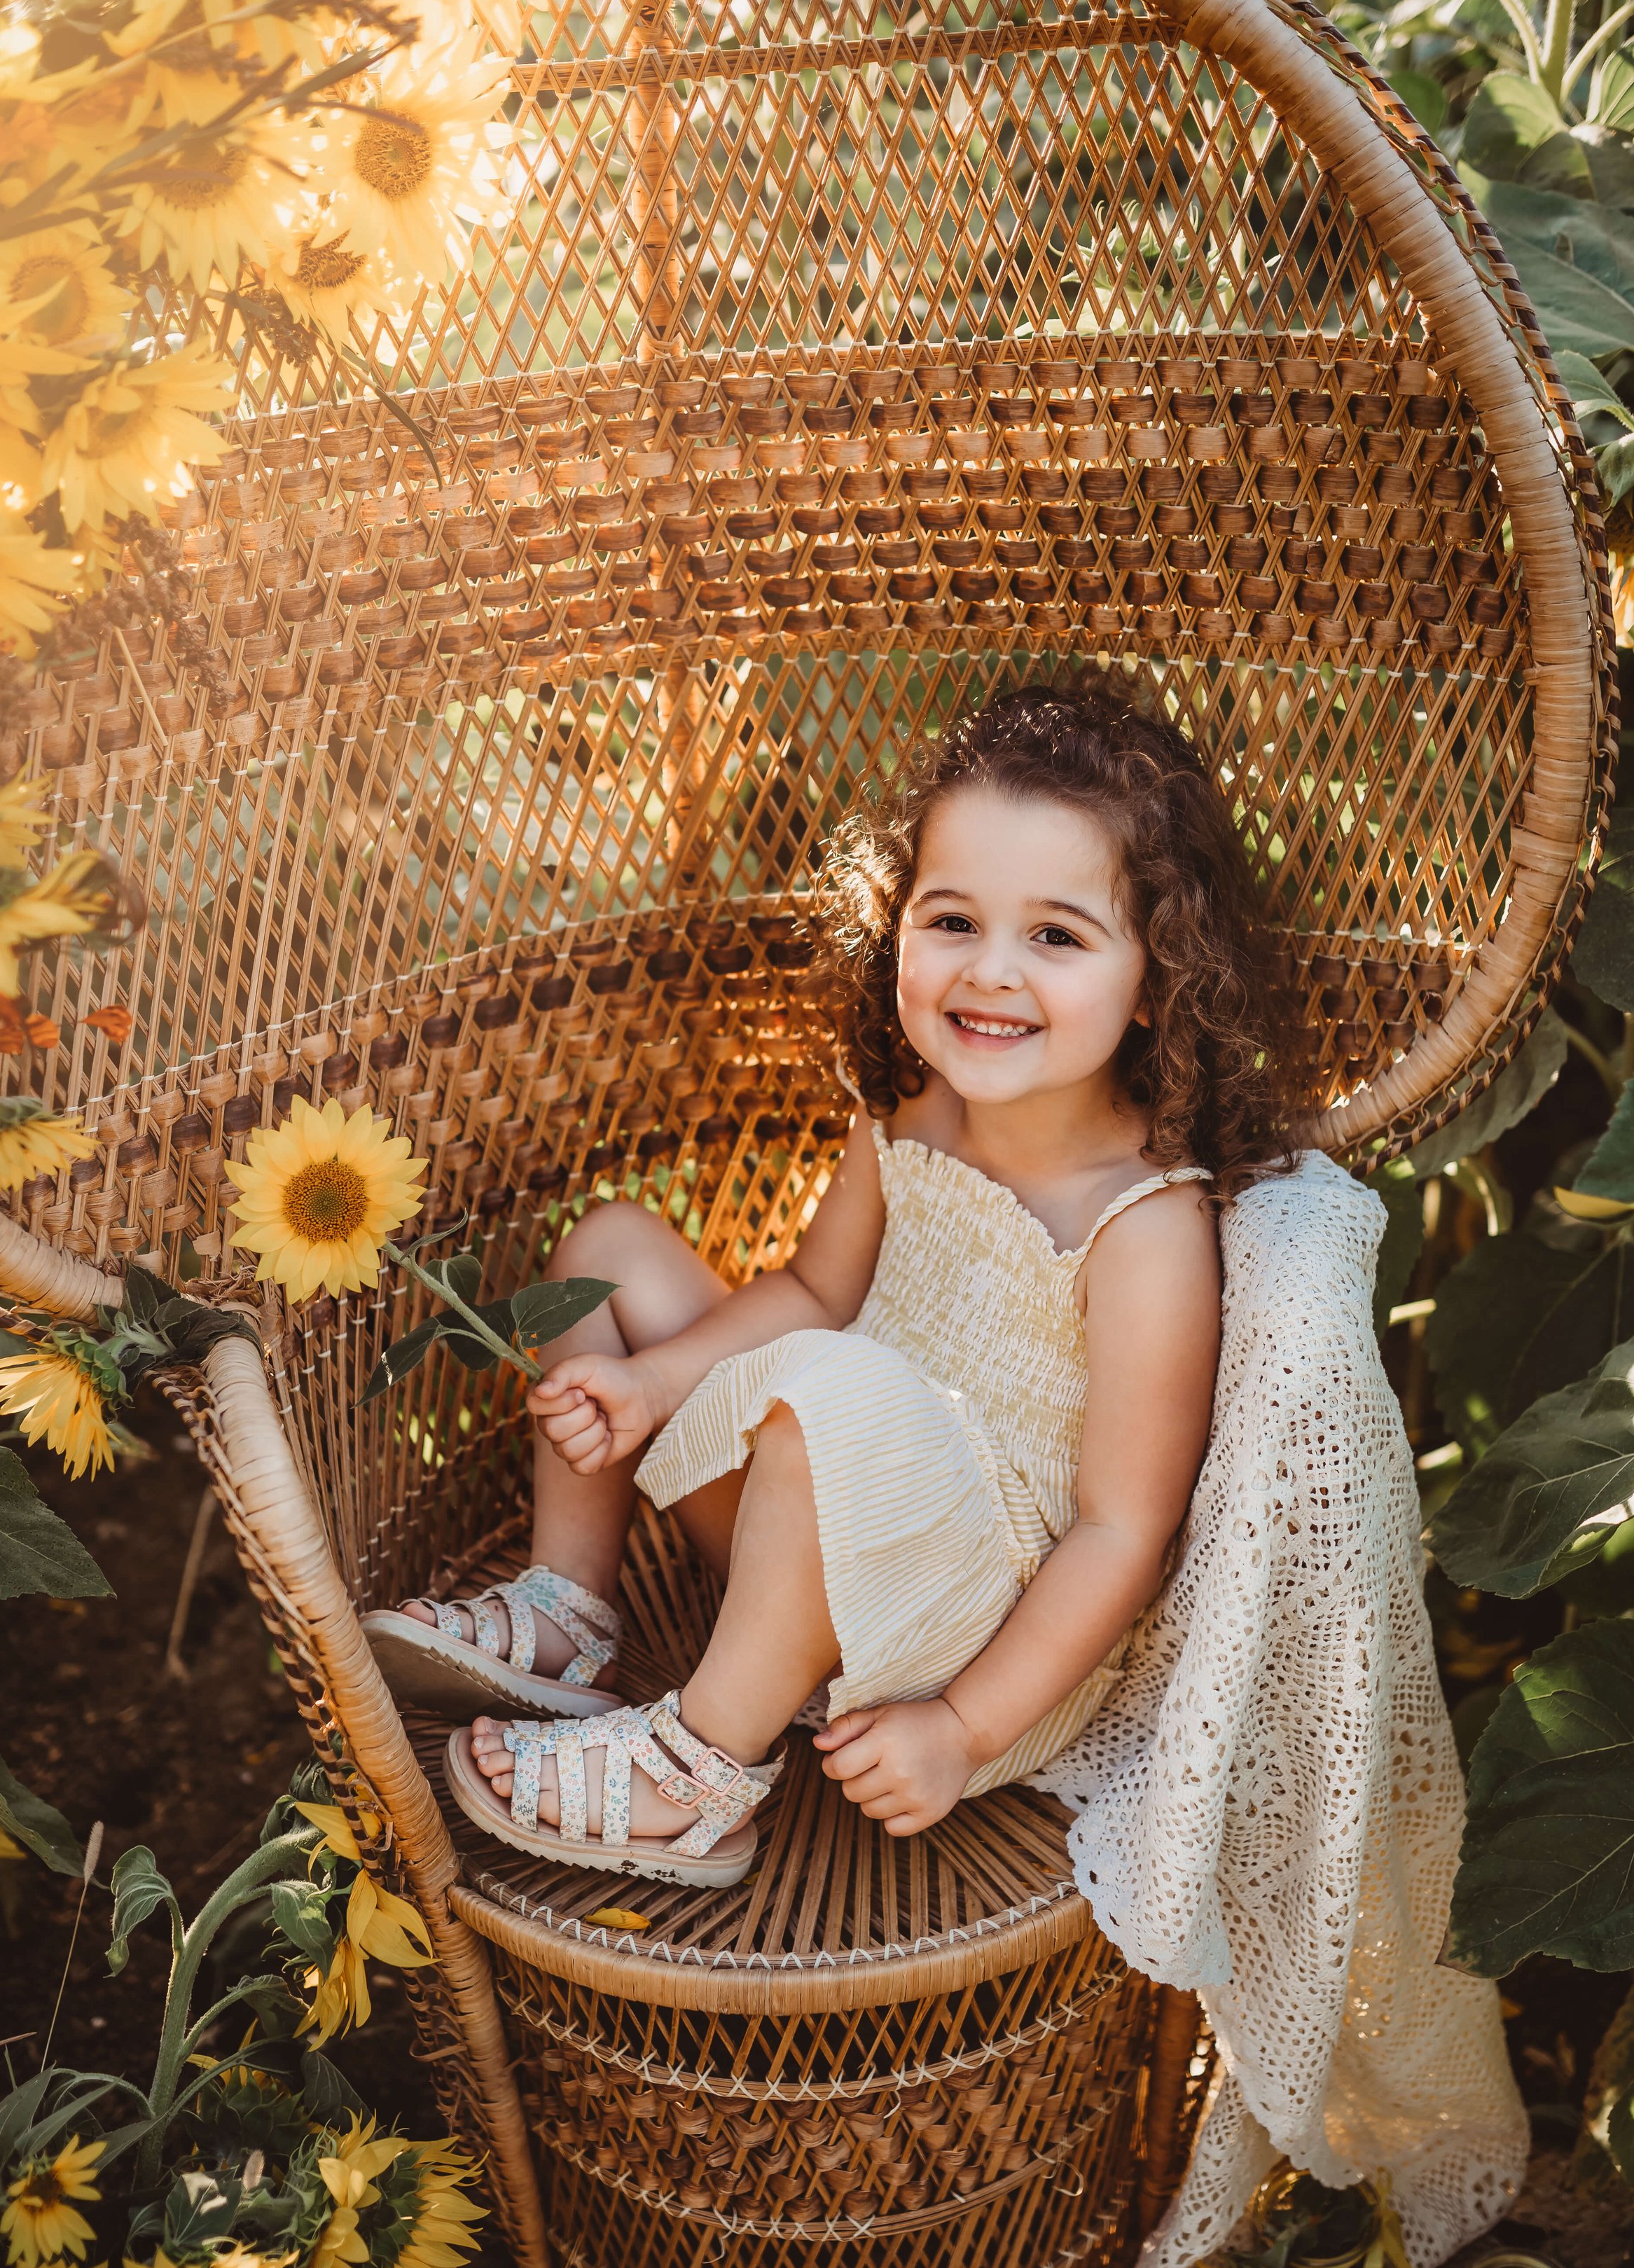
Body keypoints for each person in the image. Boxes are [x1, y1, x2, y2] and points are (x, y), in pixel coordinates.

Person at [361, 676, 1296, 1886]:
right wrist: (649, 1384)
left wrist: (962, 1728)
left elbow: (1123, 1533)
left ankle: (704, 1770)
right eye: (951, 919)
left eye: (1056, 936)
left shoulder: (1145, 1225)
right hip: (811, 1509)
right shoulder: (912, 1109)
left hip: (964, 1629)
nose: (990, 974)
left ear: (1158, 981)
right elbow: (809, 1292)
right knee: (612, 1253)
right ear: (894, 919)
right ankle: (571, 1611)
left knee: (835, 1395)